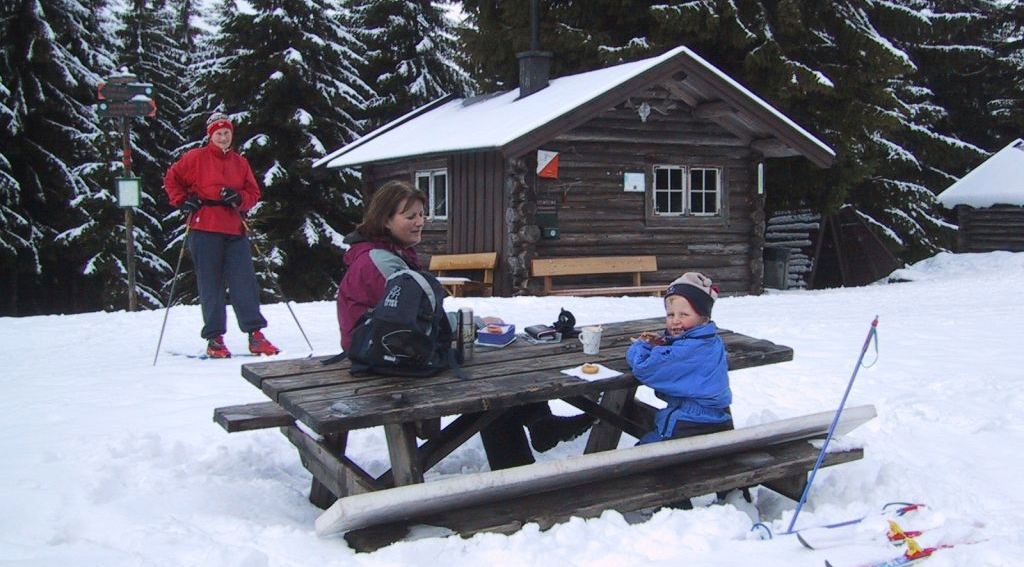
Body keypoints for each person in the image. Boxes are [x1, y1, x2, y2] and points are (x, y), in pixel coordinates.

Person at [336, 180, 592, 469]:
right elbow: (415, 320)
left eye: (422, 214)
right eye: (410, 217)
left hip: (389, 348)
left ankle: (538, 429)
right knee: (487, 384)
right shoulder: (380, 262)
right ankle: (522, 461)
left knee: (493, 368)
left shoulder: (389, 251)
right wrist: (473, 324)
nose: (420, 222)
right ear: (385, 220)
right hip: (381, 357)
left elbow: (417, 315)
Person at [163, 112, 279, 359]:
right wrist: (183, 201)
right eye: (219, 133)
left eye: (227, 133)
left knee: (244, 281)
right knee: (210, 284)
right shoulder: (195, 158)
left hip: (234, 226)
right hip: (204, 226)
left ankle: (255, 335)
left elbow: (252, 192)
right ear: (210, 135)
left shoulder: (239, 162)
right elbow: (171, 178)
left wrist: (239, 199)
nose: (223, 137)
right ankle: (215, 338)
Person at [626, 272, 733, 443]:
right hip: (714, 418)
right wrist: (667, 343)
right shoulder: (710, 340)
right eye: (670, 315)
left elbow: (643, 367)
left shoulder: (686, 350)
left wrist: (641, 345)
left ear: (704, 318)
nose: (675, 321)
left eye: (684, 315)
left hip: (691, 424)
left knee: (639, 459)